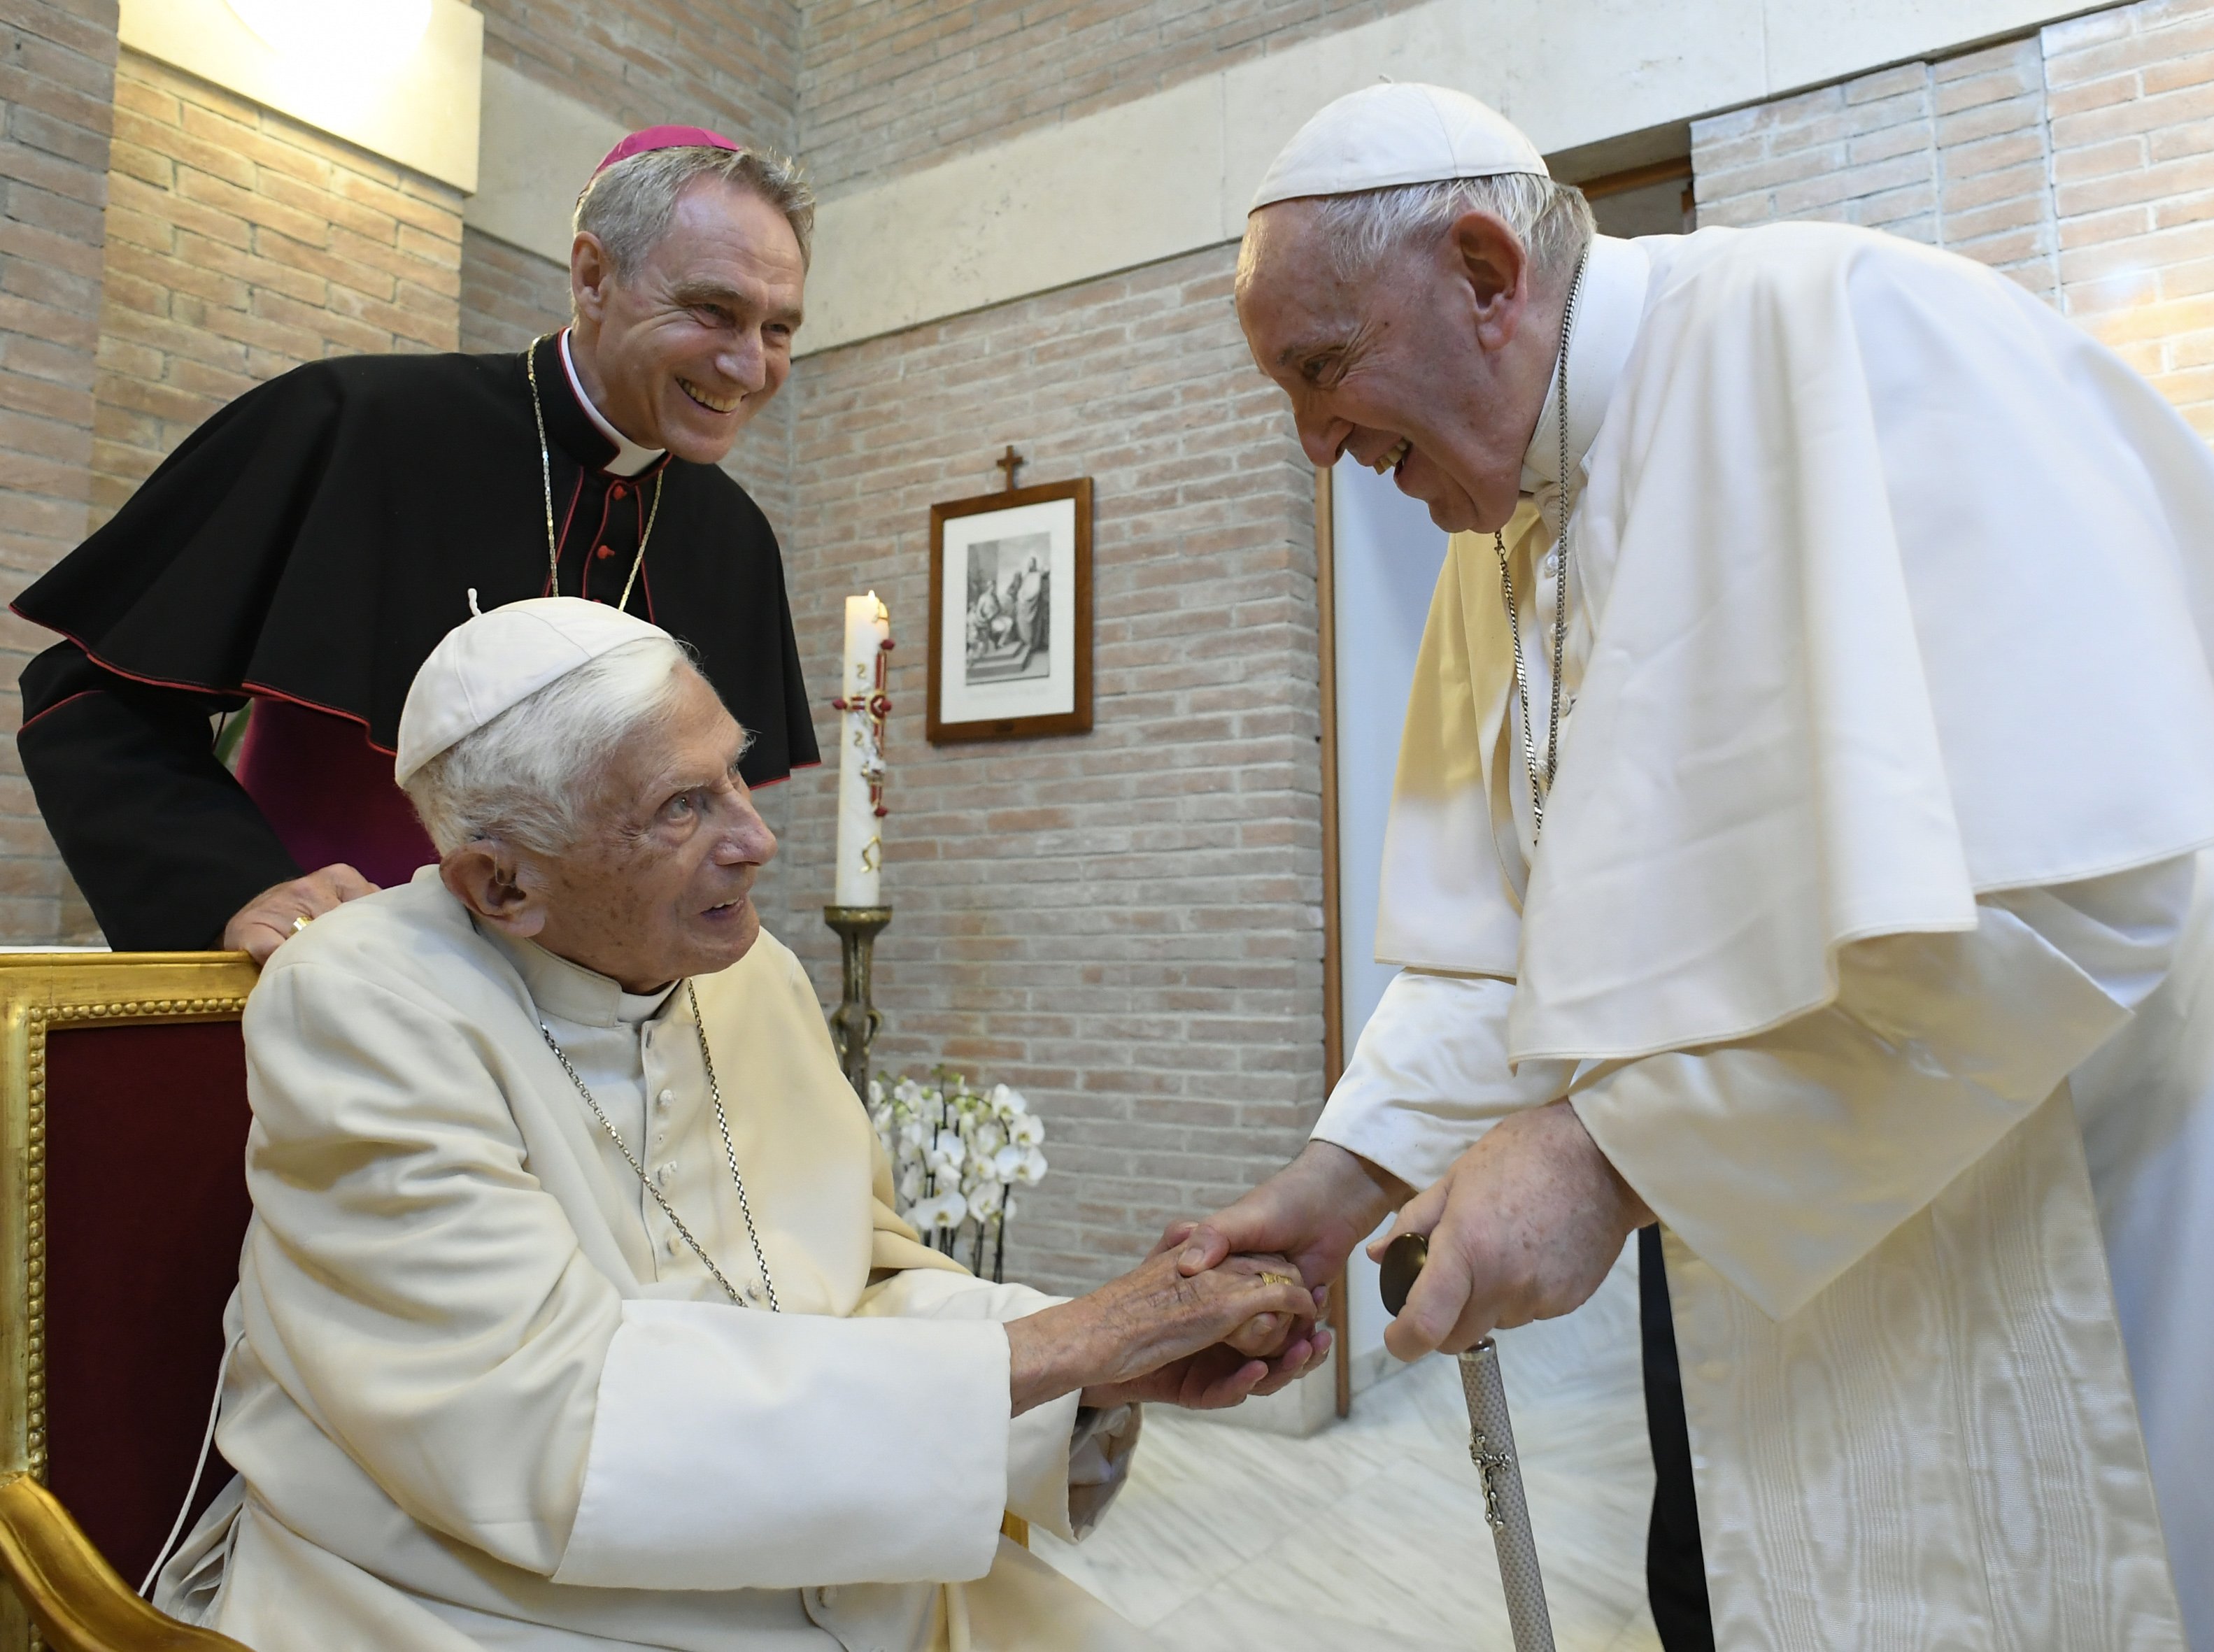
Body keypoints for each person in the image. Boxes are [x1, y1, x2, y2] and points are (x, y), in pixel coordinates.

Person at [1175, 82, 2214, 1652]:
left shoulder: (1849, 330)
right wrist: (1335, 1183)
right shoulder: (1502, 516)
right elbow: (1496, 941)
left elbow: (2084, 888)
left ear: (1481, 271)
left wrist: (1612, 1155)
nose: (1316, 446)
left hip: (2174, 1133)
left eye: (1322, 371)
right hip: (1899, 1167)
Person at [152, 596, 1330, 1651]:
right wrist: (1055, 1353)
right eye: (683, 805)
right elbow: (542, 1428)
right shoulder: (363, 999)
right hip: (470, 1594)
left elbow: (855, 1280)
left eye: (734, 778)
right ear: (500, 884)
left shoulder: (744, 969)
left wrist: (1099, 1363)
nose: (756, 839)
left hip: (831, 1571)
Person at [14, 126, 817, 962]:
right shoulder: (356, 425)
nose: (748, 366)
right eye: (712, 311)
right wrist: (235, 887)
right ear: (592, 278)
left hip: (600, 1042)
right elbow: (89, 699)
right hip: (341, 992)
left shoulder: (737, 541)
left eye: (778, 330)